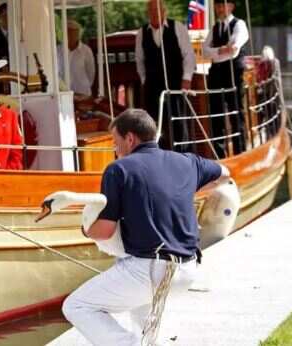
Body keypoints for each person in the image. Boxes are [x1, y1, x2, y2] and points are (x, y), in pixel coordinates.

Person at [62, 109, 230, 346]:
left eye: (115, 142)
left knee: (77, 306)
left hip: (149, 270)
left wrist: (85, 229)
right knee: (145, 325)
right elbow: (225, 173)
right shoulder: (187, 162)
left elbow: (105, 231)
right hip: (187, 270)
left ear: (130, 138)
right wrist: (182, 190)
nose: (115, 149)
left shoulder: (118, 169)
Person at [135, 0, 196, 150]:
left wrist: (186, 79)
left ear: (164, 11)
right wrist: (145, 81)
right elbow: (139, 60)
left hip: (175, 84)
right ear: (148, 13)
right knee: (154, 125)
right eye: (151, 11)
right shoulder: (142, 33)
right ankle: (159, 157)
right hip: (153, 87)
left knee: (179, 123)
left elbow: (189, 55)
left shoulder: (178, 28)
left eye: (157, 10)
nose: (154, 14)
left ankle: (183, 156)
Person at [203, 0, 249, 158]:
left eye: (223, 4)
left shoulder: (239, 24)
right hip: (215, 74)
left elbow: (234, 51)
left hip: (233, 73)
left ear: (231, 7)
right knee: (216, 116)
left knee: (236, 114)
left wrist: (216, 52)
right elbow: (204, 51)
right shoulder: (215, 28)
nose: (219, 8)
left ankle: (240, 154)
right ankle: (220, 157)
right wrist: (221, 50)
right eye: (217, 5)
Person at [57, 20, 95, 97]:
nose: (71, 36)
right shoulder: (57, 50)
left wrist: (84, 86)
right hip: (63, 94)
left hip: (83, 93)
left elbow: (91, 73)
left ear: (78, 34)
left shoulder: (86, 50)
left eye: (74, 33)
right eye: (69, 33)